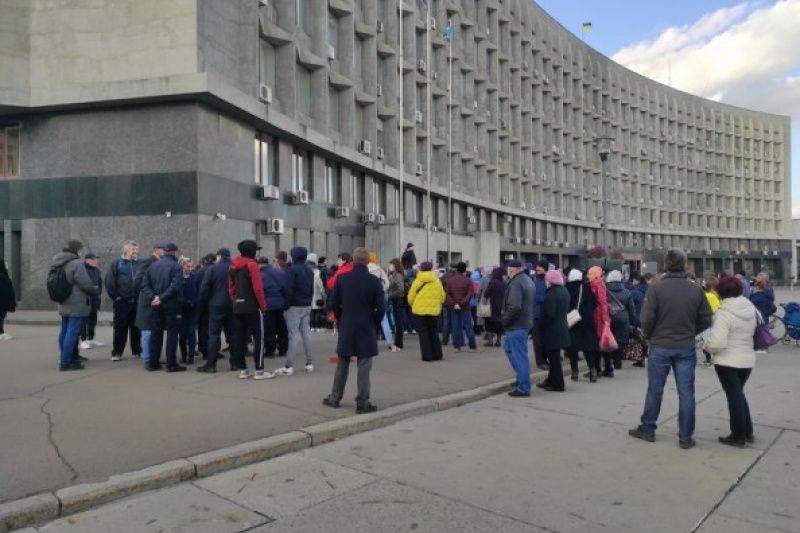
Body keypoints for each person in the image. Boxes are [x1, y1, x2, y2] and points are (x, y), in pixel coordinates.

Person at [629, 248, 713, 449]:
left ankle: (648, 428)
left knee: (655, 389)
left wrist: (649, 336)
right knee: (686, 392)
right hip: (685, 346)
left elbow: (646, 319)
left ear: (665, 265)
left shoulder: (656, 289)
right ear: (685, 265)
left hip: (660, 345)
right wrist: (691, 332)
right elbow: (706, 319)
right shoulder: (695, 290)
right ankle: (685, 437)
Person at [322, 247, 386, 414]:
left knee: (342, 362)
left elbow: (333, 302)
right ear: (368, 261)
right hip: (367, 324)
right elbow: (381, 307)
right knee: (364, 364)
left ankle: (335, 397)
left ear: (354, 261)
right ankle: (362, 402)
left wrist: (341, 317)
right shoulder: (374, 281)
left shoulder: (342, 279)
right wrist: (375, 322)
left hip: (347, 323)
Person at [704, 276, 758, 447]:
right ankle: (747, 430)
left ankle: (738, 434)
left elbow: (717, 342)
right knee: (739, 394)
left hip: (728, 360)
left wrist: (707, 346)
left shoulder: (724, 313)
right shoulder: (750, 308)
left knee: (733, 396)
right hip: (747, 358)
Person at [52, 240, 102, 371]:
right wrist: (95, 289)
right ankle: (66, 362)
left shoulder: (57, 262)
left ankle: (64, 357)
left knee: (64, 330)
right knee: (72, 332)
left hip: (63, 300)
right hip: (77, 302)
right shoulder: (76, 264)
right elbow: (85, 283)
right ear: (78, 250)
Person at [141, 242, 186, 373]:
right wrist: (161, 297)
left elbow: (144, 285)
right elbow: (176, 286)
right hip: (171, 304)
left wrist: (154, 297)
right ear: (174, 253)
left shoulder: (153, 266)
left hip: (156, 305)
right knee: (172, 334)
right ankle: (171, 363)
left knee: (156, 333)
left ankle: (153, 363)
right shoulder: (176, 267)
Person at [228, 240, 269, 379]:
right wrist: (262, 306)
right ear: (252, 251)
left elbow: (231, 288)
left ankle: (243, 370)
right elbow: (258, 288)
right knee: (259, 339)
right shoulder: (252, 265)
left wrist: (235, 300)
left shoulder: (232, 266)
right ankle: (259, 370)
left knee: (240, 339)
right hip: (253, 307)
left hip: (238, 307)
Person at [273, 246, 314, 376]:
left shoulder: (292, 270)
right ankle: (309, 363)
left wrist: (286, 305)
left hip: (294, 306)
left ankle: (289, 366)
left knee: (292, 335)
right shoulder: (309, 270)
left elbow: (288, 289)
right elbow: (311, 288)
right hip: (307, 305)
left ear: (294, 256)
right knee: (306, 333)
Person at [196, 248, 235, 373]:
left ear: (219, 256)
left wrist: (205, 302)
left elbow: (204, 288)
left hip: (215, 305)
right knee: (232, 335)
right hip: (232, 305)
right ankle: (236, 363)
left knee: (213, 334)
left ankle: (211, 364)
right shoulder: (234, 268)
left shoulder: (212, 269)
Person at [501, 260, 536, 397]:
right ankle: (521, 379)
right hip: (523, 322)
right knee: (510, 350)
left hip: (517, 324)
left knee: (519, 355)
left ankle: (524, 387)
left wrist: (505, 320)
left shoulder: (516, 282)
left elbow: (514, 306)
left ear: (510, 270)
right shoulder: (527, 279)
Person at [105, 240, 141, 360]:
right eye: (133, 249)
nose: (135, 252)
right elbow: (110, 281)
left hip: (136, 302)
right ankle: (117, 352)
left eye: (136, 249)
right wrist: (116, 297)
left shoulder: (140, 263)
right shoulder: (117, 263)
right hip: (122, 302)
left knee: (136, 328)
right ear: (126, 251)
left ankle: (137, 351)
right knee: (120, 328)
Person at [134, 242, 167, 367]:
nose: (164, 251)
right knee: (147, 331)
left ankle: (154, 358)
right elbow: (138, 281)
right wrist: (149, 296)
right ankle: (148, 359)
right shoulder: (148, 261)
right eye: (162, 248)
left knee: (154, 331)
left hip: (156, 301)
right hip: (147, 301)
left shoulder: (161, 262)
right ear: (156, 250)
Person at [564, 268, 600, 381]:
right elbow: (595, 304)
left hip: (572, 321)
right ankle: (593, 371)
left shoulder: (566, 289)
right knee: (588, 348)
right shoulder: (587, 288)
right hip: (587, 321)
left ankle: (574, 372)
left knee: (572, 348)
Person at [537, 269, 570, 392]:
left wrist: (541, 326)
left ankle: (558, 383)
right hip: (561, 327)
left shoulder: (551, 294)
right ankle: (550, 380)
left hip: (552, 330)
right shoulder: (564, 291)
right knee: (554, 357)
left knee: (554, 359)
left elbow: (549, 314)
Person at [408, 261, 446, 361]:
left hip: (419, 311)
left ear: (421, 268)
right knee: (434, 332)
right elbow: (442, 296)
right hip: (434, 311)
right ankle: (438, 355)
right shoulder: (437, 280)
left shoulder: (417, 281)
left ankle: (427, 356)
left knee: (423, 334)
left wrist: (414, 305)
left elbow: (410, 297)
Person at [605, 270, 638, 373]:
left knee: (609, 338)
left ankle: (608, 360)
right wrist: (633, 322)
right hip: (623, 318)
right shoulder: (627, 292)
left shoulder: (605, 290)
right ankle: (617, 362)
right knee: (620, 341)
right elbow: (632, 309)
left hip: (609, 317)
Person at [260, 256, 288, 358]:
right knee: (282, 328)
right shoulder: (279, 272)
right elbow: (286, 287)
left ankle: (270, 350)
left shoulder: (260, 275)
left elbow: (260, 291)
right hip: (280, 304)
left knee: (269, 329)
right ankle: (283, 349)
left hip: (268, 305)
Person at [445, 262, 477, 353]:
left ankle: (456, 346)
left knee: (455, 326)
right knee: (468, 326)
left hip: (453, 306)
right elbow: (470, 294)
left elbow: (447, 294)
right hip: (465, 307)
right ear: (465, 270)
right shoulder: (468, 280)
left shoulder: (450, 280)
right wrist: (461, 303)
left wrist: (454, 303)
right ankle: (472, 346)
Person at [367, 251, 396, 351]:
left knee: (367, 319)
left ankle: (368, 342)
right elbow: (387, 283)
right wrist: (382, 290)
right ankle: (390, 342)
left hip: (367, 297)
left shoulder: (365, 269)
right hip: (379, 296)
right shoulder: (379, 269)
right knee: (384, 320)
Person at [586, 266, 610, 380]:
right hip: (599, 317)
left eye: (590, 274)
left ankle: (596, 368)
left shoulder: (596, 285)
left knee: (596, 343)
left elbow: (603, 303)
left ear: (595, 275)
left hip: (597, 317)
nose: (588, 276)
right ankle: (598, 368)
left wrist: (605, 319)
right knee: (598, 343)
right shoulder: (600, 284)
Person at [78, 253, 104, 351]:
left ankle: (91, 338)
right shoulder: (82, 270)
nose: (96, 261)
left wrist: (98, 291)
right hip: (85, 299)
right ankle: (83, 340)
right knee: (85, 320)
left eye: (96, 259)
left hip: (95, 298)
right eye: (93, 259)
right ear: (87, 260)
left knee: (93, 319)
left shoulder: (96, 270)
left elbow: (100, 283)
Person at [178, 257, 199, 365]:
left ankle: (190, 356)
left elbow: (198, 291)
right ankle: (183, 355)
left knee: (191, 333)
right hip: (182, 309)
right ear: (182, 266)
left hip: (193, 308)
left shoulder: (194, 277)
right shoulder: (178, 278)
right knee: (182, 334)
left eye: (191, 266)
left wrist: (195, 301)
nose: (190, 269)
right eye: (188, 266)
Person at [531, 260, 549, 370]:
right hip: (536, 314)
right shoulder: (533, 281)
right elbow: (533, 297)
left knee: (546, 338)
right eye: (537, 268)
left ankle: (545, 358)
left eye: (540, 268)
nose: (538, 270)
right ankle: (540, 361)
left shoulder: (548, 280)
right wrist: (546, 299)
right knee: (538, 340)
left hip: (547, 314)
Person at [482, 267, 506, 347]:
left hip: (491, 305)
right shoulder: (503, 283)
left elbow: (486, 294)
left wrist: (483, 305)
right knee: (499, 323)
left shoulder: (492, 283)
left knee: (488, 323)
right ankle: (498, 341)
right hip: (501, 306)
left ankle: (490, 341)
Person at [386, 258, 407, 350]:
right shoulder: (393, 275)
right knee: (397, 321)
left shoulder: (398, 276)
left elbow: (400, 290)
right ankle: (397, 341)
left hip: (398, 300)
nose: (390, 267)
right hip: (395, 300)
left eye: (391, 265)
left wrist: (390, 295)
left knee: (398, 322)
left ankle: (399, 342)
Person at [701, 277, 721, 366]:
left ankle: (710, 360)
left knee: (706, 341)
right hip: (716, 321)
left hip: (708, 321)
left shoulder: (708, 296)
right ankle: (710, 359)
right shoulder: (717, 295)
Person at [308, 253, 327, 332]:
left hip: (311, 298)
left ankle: (312, 327)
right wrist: (325, 296)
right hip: (318, 298)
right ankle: (318, 327)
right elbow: (322, 289)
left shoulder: (310, 279)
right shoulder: (318, 280)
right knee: (318, 314)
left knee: (312, 313)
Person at [0, 260, 16, 340]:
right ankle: (1, 332)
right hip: (2, 302)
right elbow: (7, 290)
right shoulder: (2, 277)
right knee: (1, 316)